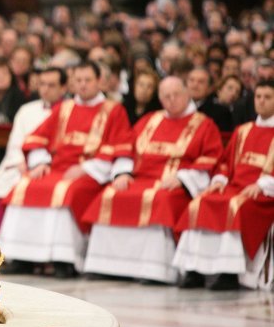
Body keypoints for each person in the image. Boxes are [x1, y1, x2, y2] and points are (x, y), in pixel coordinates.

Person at [82, 77, 223, 284]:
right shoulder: (150, 120)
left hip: (172, 182)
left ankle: (154, 270)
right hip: (139, 179)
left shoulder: (203, 124)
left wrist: (183, 178)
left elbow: (210, 159)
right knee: (110, 194)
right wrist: (122, 173)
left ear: (186, 94)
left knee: (160, 200)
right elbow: (126, 146)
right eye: (166, 96)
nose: (171, 100)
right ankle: (105, 265)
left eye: (176, 95)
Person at [0, 61, 131, 277]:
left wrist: (86, 167)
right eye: (78, 80)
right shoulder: (65, 108)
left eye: (88, 80)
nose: (83, 85)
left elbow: (120, 145)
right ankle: (22, 257)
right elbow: (38, 137)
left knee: (67, 191)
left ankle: (64, 259)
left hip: (91, 171)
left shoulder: (113, 110)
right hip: (56, 168)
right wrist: (41, 162)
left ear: (99, 81)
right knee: (25, 185)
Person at [173, 79, 274, 290]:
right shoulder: (243, 131)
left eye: (267, 97)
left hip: (262, 194)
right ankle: (194, 271)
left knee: (233, 206)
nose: (261, 102)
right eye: (258, 97)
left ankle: (229, 273)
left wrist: (263, 183)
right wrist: (219, 180)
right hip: (234, 187)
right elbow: (225, 164)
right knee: (200, 202)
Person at [0, 67, 67, 242]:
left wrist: (41, 164)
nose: (45, 89)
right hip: (21, 164)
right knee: (1, 185)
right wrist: (20, 161)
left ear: (63, 88)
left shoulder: (69, 111)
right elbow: (15, 143)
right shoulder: (27, 110)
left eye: (51, 85)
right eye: (42, 84)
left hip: (51, 168)